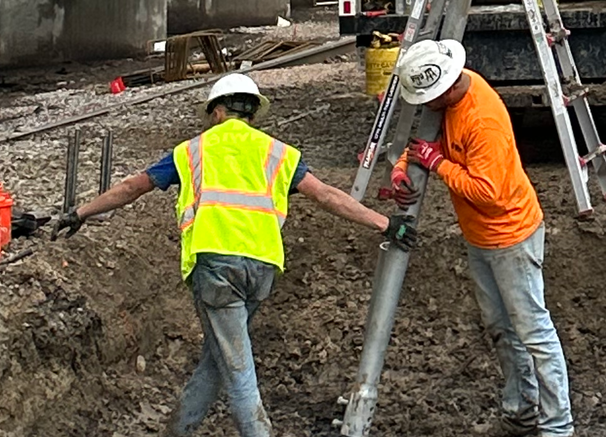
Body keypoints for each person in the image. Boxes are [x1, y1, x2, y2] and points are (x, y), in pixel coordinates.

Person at [51, 73, 415, 437]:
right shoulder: (279, 153)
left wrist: (81, 212)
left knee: (239, 374)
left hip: (216, 269)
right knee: (218, 357)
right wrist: (385, 223)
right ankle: (177, 430)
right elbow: (328, 195)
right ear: (253, 114)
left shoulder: (192, 151)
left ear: (217, 112)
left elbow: (133, 187)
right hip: (261, 270)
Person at [383, 38, 572, 437]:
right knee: (503, 329)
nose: (424, 107)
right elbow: (426, 142)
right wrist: (404, 168)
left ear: (444, 88)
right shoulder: (450, 96)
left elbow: (489, 194)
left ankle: (557, 427)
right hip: (481, 239)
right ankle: (521, 412)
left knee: (533, 332)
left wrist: (438, 165)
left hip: (510, 236)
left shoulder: (480, 120)